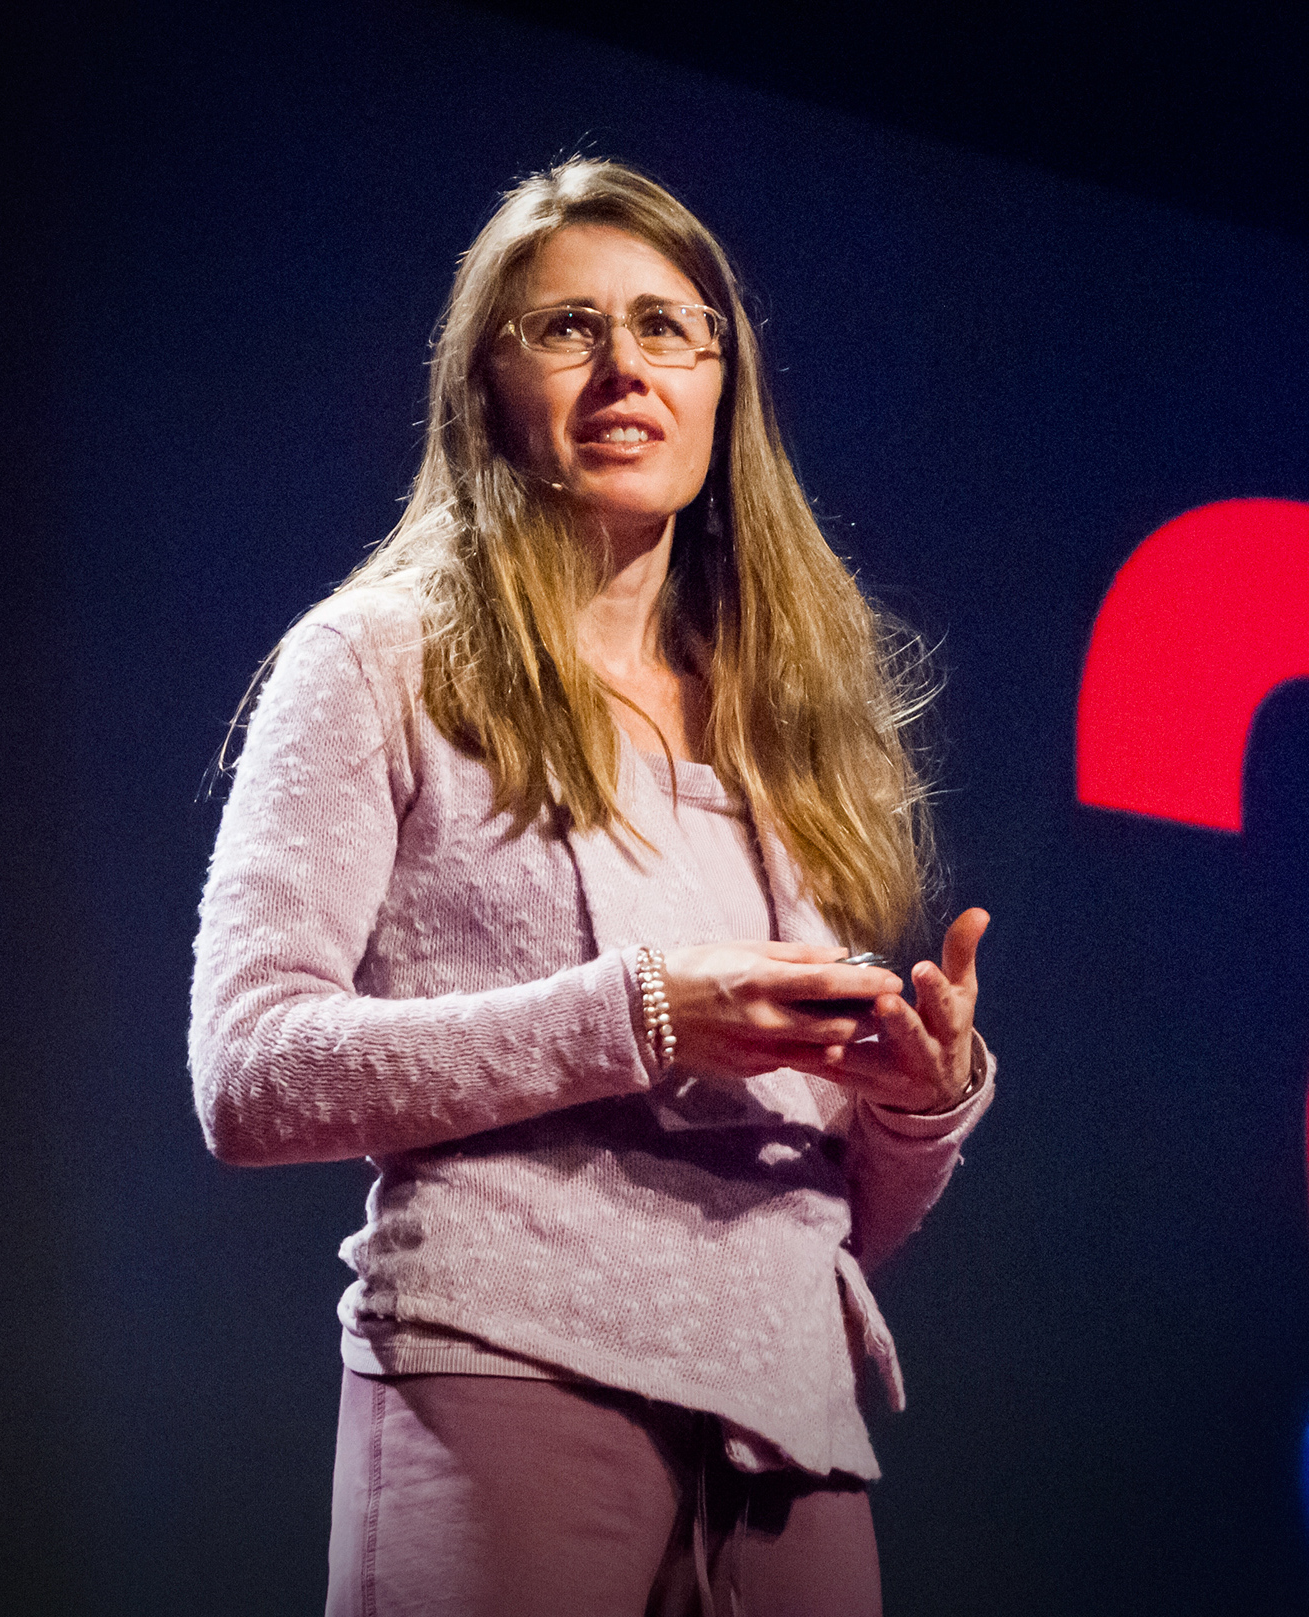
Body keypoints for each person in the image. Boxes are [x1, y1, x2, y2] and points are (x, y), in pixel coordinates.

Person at [189, 157, 994, 1616]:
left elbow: (841, 1213)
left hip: (794, 1437)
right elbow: (247, 1074)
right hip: (503, 1375)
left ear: (723, 383)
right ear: (482, 384)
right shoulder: (375, 662)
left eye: (667, 327)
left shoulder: (788, 721)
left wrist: (909, 1103)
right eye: (565, 328)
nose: (624, 365)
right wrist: (641, 1011)